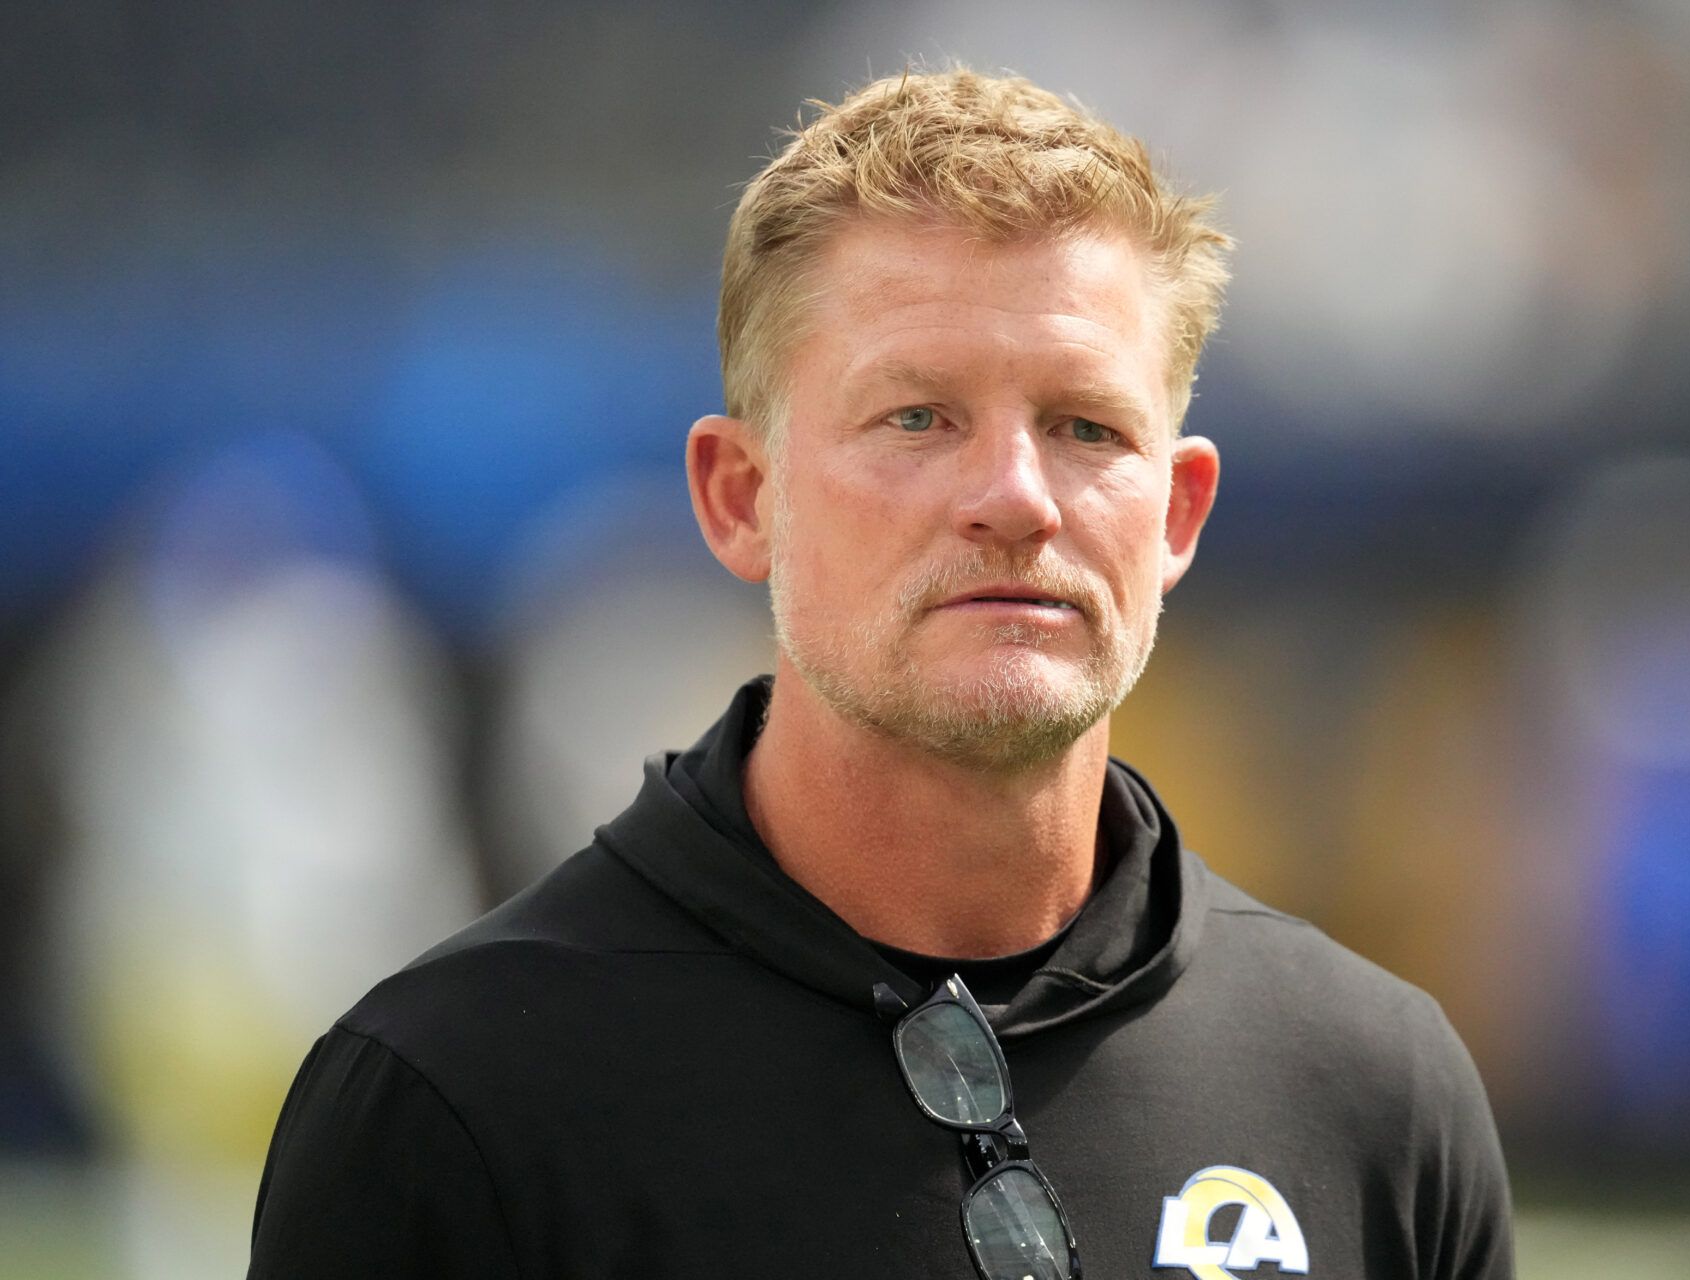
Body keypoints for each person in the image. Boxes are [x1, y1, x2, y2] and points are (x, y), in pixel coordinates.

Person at [248, 68, 1513, 1279]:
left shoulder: (1371, 1089)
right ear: (741, 497)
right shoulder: (455, 1097)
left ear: (1178, 515)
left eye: (1086, 427)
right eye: (918, 416)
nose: (1015, 497)